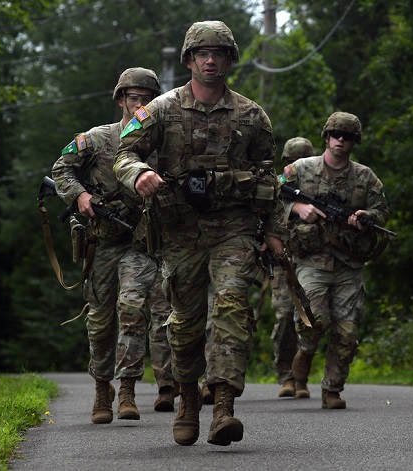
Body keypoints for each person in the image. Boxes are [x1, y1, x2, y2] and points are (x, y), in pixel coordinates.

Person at [113, 20, 284, 447]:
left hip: (234, 229)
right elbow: (124, 153)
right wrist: (140, 174)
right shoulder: (159, 110)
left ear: (229, 60)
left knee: (231, 305)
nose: (210, 60)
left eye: (219, 53)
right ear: (189, 59)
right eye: (202, 53)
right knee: (185, 324)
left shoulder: (251, 115)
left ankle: (224, 404)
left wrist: (275, 231)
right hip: (180, 232)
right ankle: (188, 397)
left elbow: (269, 178)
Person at [52, 67, 176, 424]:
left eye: (147, 98)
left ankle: (128, 390)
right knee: (99, 320)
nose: (140, 104)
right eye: (134, 97)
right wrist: (81, 197)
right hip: (103, 243)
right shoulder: (96, 139)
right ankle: (102, 389)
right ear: (121, 99)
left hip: (142, 243)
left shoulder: (161, 144)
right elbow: (62, 168)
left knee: (133, 310)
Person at [280, 112, 390, 409]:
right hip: (311, 260)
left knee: (347, 330)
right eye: (336, 134)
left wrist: (365, 218)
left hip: (349, 264)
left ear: (355, 141)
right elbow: (266, 193)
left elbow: (381, 212)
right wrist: (297, 208)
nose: (341, 140)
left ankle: (332, 389)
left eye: (348, 136)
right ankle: (303, 353)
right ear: (326, 137)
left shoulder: (365, 177)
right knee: (314, 323)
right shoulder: (300, 169)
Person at [271, 137, 314, 398]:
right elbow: (270, 199)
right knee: (285, 317)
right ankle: (286, 375)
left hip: (312, 260)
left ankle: (301, 377)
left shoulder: (317, 185)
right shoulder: (278, 186)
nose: (295, 166)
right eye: (290, 161)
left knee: (309, 319)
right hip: (282, 261)